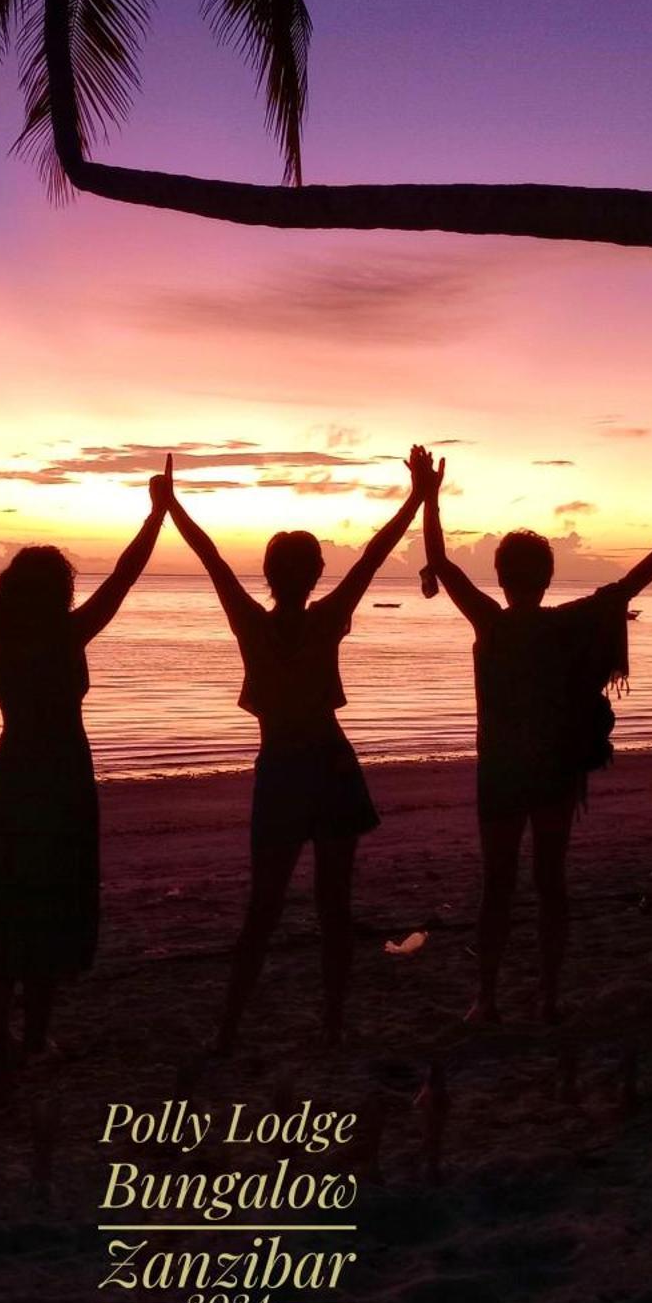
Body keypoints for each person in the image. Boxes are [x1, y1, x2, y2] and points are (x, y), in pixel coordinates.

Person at [415, 450, 652, 1024]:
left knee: (497, 886)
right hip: (552, 773)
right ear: (547, 577)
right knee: (550, 884)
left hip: (501, 774)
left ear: (500, 578)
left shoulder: (492, 624)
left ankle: (488, 999)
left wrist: (428, 495)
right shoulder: (563, 624)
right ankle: (547, 998)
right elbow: (626, 588)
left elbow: (440, 562)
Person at [157, 449, 430, 1055]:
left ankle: (236, 1029)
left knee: (269, 908)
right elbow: (374, 555)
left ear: (272, 574)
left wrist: (172, 506)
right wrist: (414, 497)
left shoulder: (256, 624)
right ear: (313, 575)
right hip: (324, 768)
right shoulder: (326, 616)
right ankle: (323, 1024)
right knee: (330, 906)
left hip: (287, 772)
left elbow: (213, 561)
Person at [0, 477, 167, 1101]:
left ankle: (1, 1034)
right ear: (61, 591)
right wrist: (157, 513)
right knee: (49, 900)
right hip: (63, 775)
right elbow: (126, 575)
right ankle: (35, 1035)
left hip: (15, 770)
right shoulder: (68, 632)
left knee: (6, 897)